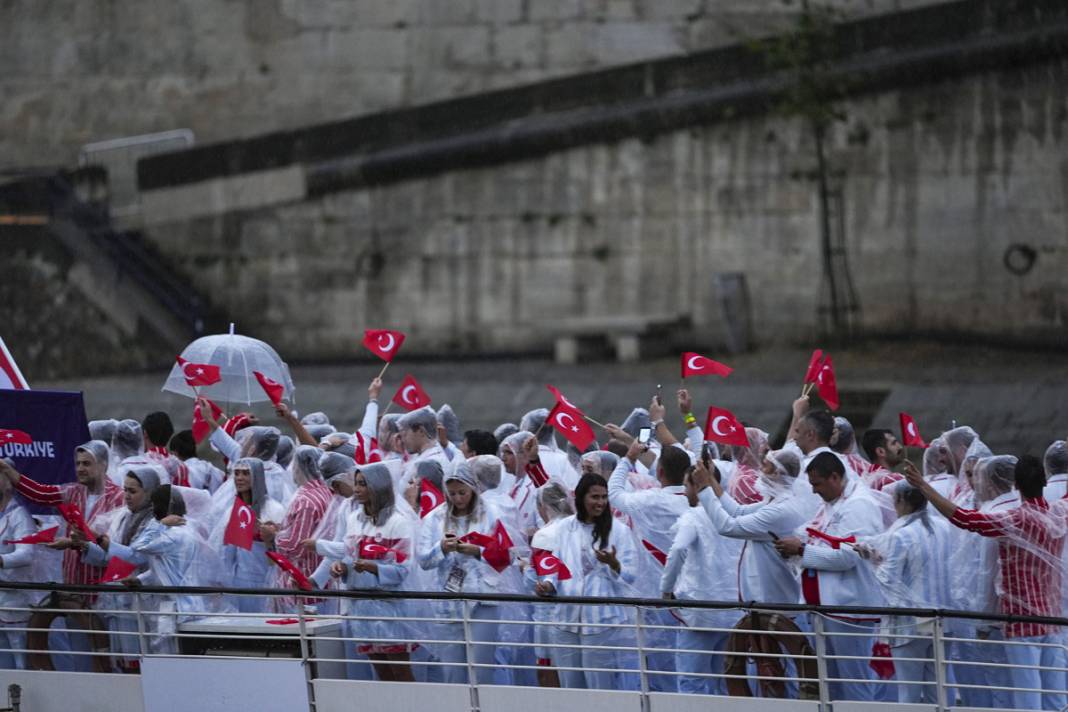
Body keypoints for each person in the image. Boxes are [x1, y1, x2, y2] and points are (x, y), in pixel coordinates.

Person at [905, 456, 1067, 711]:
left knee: (1028, 697)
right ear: (1044, 483)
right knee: (1056, 697)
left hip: (1022, 622)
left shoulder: (1013, 520)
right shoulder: (1060, 513)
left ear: (1016, 486)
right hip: (1054, 618)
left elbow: (963, 518)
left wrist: (924, 486)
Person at [773, 452, 889, 702]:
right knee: (830, 685)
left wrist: (801, 550)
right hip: (827, 609)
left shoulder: (859, 505)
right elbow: (815, 536)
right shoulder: (832, 503)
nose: (814, 491)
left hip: (850, 610)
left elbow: (849, 556)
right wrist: (796, 546)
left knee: (853, 684)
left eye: (817, 484)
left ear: (835, 477)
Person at [0, 443, 123, 672]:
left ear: (104, 465)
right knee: (81, 663)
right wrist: (7, 470)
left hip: (104, 595)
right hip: (74, 591)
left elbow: (116, 548)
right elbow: (39, 493)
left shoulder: (118, 498)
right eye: (77, 464)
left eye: (87, 463)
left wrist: (78, 544)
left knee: (108, 663)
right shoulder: (73, 492)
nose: (80, 469)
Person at [534, 473, 639, 691]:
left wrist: (613, 564)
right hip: (566, 620)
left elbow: (631, 576)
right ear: (581, 498)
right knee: (570, 687)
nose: (600, 502)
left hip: (601, 622)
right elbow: (556, 566)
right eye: (594, 497)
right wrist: (548, 584)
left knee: (600, 688)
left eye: (604, 497)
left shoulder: (619, 531)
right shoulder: (564, 527)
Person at [856, 482, 953, 703]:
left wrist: (873, 560)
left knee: (908, 692)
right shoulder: (945, 528)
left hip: (909, 624)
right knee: (939, 692)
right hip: (943, 620)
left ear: (900, 501)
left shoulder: (900, 535)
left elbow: (888, 581)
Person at [418, 464, 512, 685]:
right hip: (448, 601)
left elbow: (506, 555)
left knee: (481, 667)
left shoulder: (492, 514)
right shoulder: (434, 519)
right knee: (452, 670)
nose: (458, 498)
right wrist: (441, 548)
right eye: (452, 493)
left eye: (463, 492)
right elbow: (423, 560)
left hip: (484, 599)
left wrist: (477, 551)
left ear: (473, 489)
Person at [326, 463, 416, 682]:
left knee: (400, 672)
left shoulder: (398, 522)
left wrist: (372, 567)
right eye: (356, 483)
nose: (357, 489)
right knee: (380, 671)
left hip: (389, 607)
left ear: (378, 486)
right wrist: (341, 567)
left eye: (363, 484)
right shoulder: (353, 519)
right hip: (360, 605)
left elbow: (403, 569)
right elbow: (348, 555)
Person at [661, 466, 743, 695]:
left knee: (691, 680)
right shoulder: (734, 514)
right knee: (726, 682)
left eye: (687, 486)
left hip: (700, 614)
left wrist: (665, 590)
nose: (685, 492)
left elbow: (677, 550)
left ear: (698, 486)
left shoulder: (694, 516)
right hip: (732, 611)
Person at [80, 464, 166, 673]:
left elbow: (136, 557)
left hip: (143, 601)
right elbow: (109, 557)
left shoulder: (157, 521)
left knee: (144, 660)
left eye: (133, 491)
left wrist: (101, 540)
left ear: (150, 492)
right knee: (121, 660)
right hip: (119, 599)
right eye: (125, 490)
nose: (126, 496)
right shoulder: (122, 517)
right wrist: (84, 544)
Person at [209, 458, 286, 612]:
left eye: (245, 473)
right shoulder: (233, 510)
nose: (239, 478)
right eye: (236, 473)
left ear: (257, 477)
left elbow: (284, 553)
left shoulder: (273, 510)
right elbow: (225, 552)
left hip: (267, 581)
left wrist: (271, 539)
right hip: (240, 582)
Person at [262, 445, 332, 610]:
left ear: (300, 466)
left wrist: (274, 535)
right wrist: (282, 528)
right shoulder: (325, 491)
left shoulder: (305, 500)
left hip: (303, 583)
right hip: (321, 581)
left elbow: (297, 546)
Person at [527, 482, 574, 688]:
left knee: (548, 673)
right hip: (575, 613)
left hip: (549, 615)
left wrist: (524, 568)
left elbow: (539, 579)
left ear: (542, 506)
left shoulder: (545, 534)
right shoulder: (576, 526)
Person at [0, 466, 48, 669]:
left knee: (21, 659)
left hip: (15, 600)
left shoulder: (19, 515)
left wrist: (1, 560)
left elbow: (27, 553)